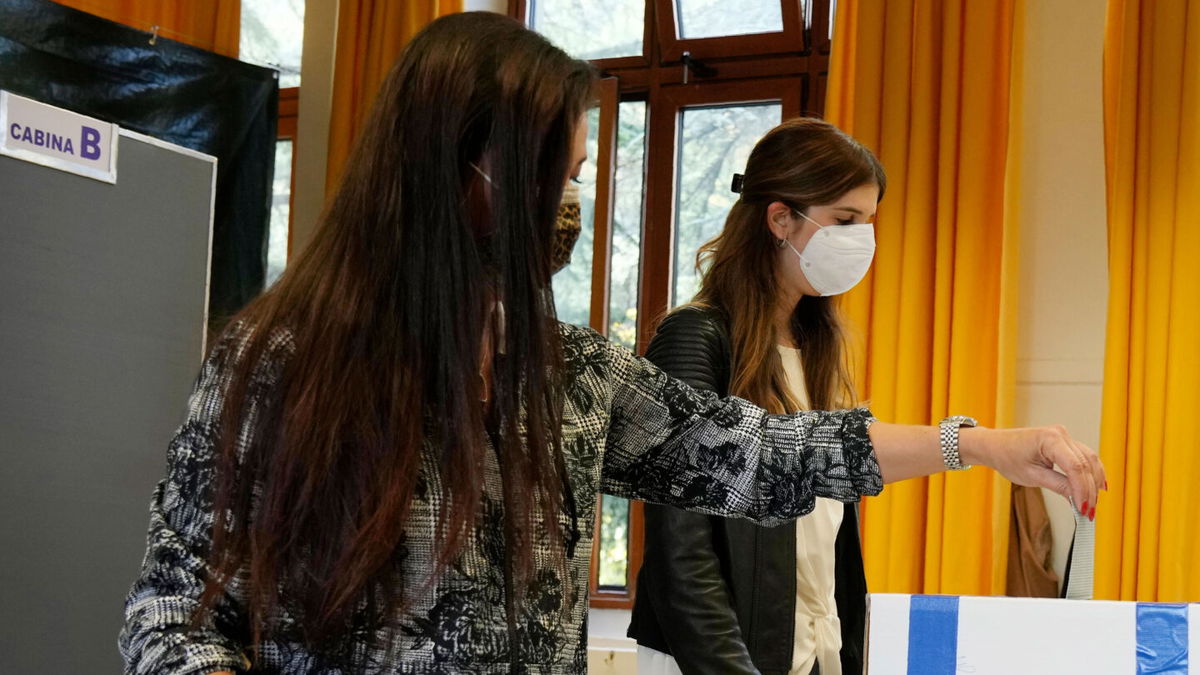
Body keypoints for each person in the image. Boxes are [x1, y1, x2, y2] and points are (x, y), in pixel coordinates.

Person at [117, 13, 1104, 675]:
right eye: (558, 174)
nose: (572, 204)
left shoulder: (571, 376)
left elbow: (759, 455)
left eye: (581, 174)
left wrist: (978, 445)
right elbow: (174, 613)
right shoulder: (280, 364)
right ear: (457, 171)